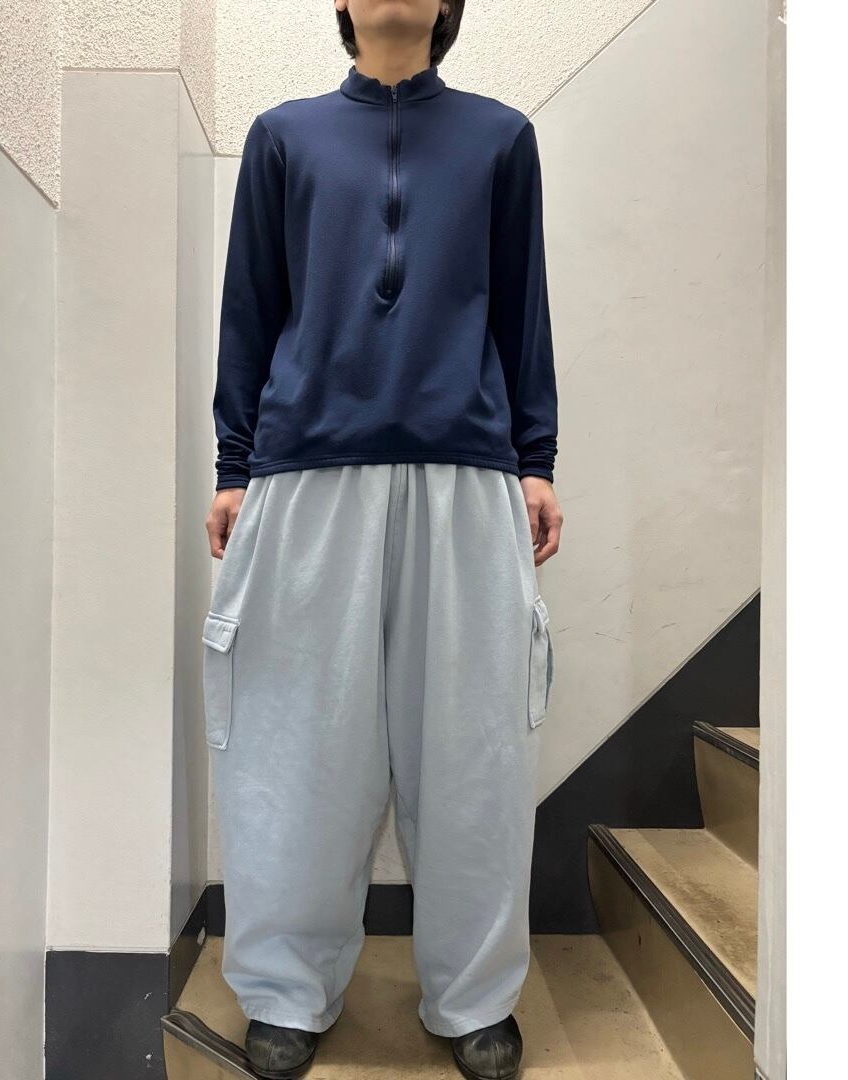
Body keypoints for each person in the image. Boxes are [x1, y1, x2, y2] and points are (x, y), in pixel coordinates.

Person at [203, 2, 561, 1077]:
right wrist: (234, 466)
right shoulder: (284, 136)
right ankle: (285, 990)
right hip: (308, 471)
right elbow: (251, 306)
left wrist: (536, 458)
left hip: (466, 470)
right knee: (294, 747)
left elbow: (523, 308)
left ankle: (475, 997)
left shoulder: (500, 138)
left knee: (474, 749)